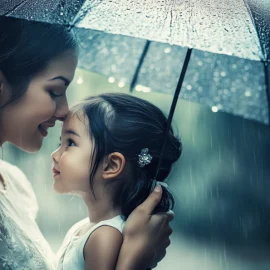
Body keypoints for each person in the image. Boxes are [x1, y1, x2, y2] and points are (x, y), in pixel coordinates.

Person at [0, 16, 174, 270]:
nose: (64, 111)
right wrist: (132, 262)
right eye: (55, 91)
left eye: (70, 143)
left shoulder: (14, 185)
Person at [52, 93, 181, 270]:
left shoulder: (105, 235)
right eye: (61, 142)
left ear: (111, 165)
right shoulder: (86, 227)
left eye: (71, 143)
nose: (55, 155)